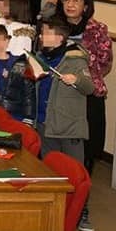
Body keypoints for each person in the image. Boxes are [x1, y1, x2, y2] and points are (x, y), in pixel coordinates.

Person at [56, 0, 112, 231]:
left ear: (86, 6)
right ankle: (58, 206)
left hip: (88, 95)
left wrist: (79, 61)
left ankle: (82, 207)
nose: (70, 4)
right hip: (57, 95)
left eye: (76, 0)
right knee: (58, 153)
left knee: (86, 153)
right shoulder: (51, 25)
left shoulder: (98, 30)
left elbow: (104, 63)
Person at [34, 17, 95, 164]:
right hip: (44, 122)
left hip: (68, 126)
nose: (41, 37)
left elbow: (89, 88)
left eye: (45, 33)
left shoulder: (75, 59)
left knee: (73, 169)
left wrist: (76, 79)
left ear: (59, 38)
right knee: (49, 168)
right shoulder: (40, 57)